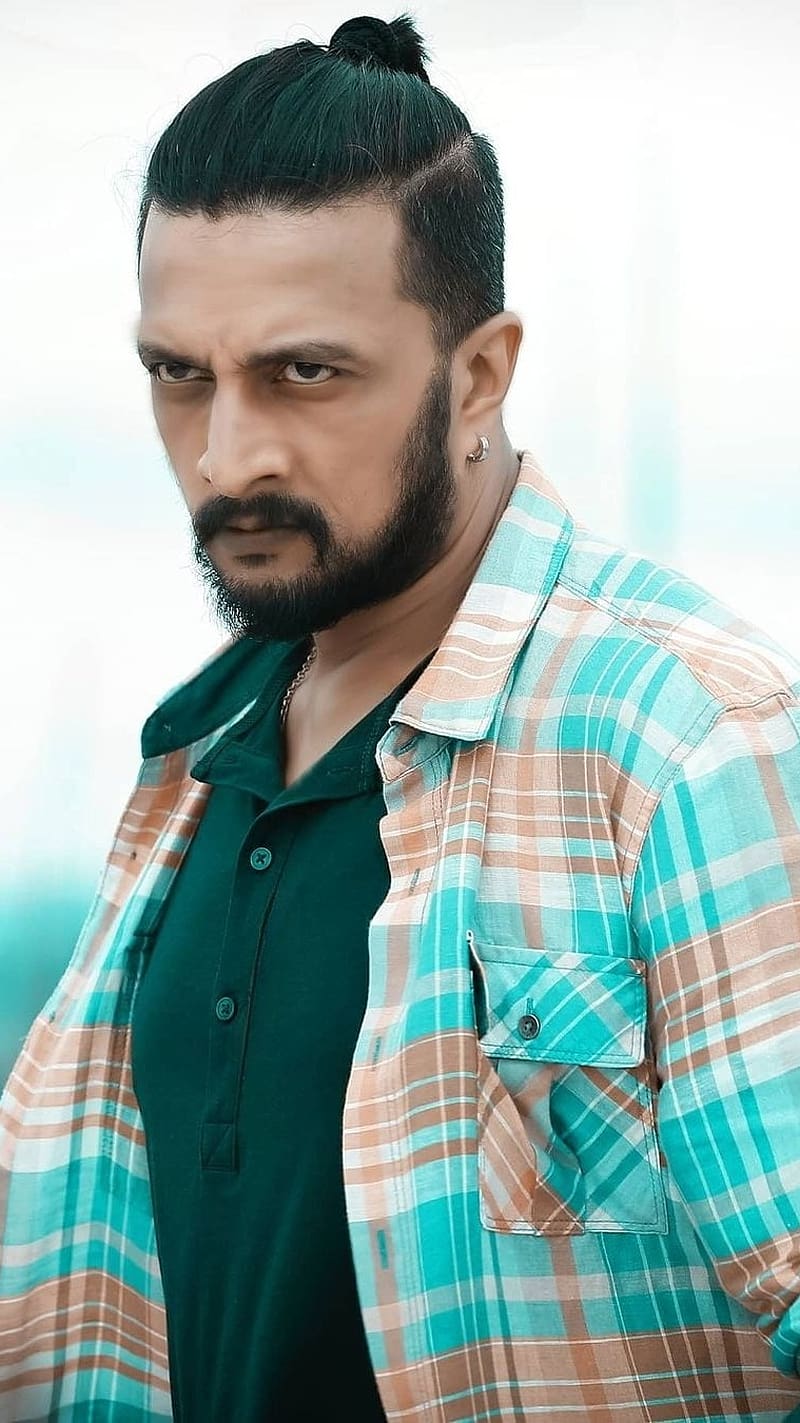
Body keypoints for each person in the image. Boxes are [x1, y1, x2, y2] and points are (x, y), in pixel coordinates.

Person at [1, 12, 798, 1422]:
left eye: (304, 373)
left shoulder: (685, 736)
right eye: (179, 374)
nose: (227, 455)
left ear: (479, 373)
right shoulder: (192, 760)